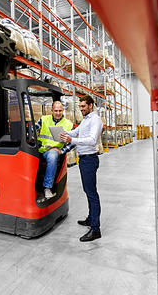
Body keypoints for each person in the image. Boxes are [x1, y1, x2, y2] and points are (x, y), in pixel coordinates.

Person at [59, 95, 103, 242]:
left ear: (91, 105)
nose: (81, 109)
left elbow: (91, 140)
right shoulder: (86, 120)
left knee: (92, 193)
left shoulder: (95, 120)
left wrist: (72, 140)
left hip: (90, 159)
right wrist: (65, 134)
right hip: (84, 160)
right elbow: (76, 132)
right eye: (80, 107)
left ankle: (95, 229)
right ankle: (91, 219)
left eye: (83, 106)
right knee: (88, 190)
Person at [35, 101, 74, 203]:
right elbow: (33, 128)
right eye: (55, 111)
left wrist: (61, 151)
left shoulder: (68, 124)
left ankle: (47, 188)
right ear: (51, 110)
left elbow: (73, 142)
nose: (58, 113)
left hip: (53, 151)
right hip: (40, 149)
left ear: (63, 110)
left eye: (60, 110)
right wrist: (28, 133)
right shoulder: (44, 119)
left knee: (52, 156)